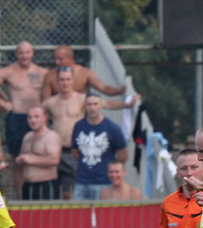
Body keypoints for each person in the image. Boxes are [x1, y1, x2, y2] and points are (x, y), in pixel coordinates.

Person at [43, 67, 138, 199]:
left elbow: (107, 103)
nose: (65, 82)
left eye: (68, 79)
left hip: (84, 158)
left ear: (73, 81)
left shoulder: (83, 99)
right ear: (57, 81)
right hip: (59, 151)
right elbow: (36, 115)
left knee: (71, 194)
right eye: (62, 79)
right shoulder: (50, 102)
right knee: (55, 192)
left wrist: (126, 104)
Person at [0, 41, 47, 159]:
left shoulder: (42, 72)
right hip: (17, 118)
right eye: (21, 53)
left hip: (38, 117)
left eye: (27, 52)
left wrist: (47, 110)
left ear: (32, 54)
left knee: (40, 153)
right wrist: (3, 103)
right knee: (18, 157)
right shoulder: (9, 71)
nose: (24, 56)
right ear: (16, 54)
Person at [70, 95, 128, 201]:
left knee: (102, 215)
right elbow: (75, 152)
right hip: (82, 181)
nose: (92, 108)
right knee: (78, 215)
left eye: (95, 104)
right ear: (84, 106)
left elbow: (123, 155)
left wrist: (111, 170)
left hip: (104, 182)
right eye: (89, 104)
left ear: (101, 105)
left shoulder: (112, 128)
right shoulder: (78, 126)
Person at [40, 45, 126, 100]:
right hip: (60, 118)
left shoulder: (85, 73)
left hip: (81, 117)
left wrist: (118, 91)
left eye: (60, 59)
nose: (57, 62)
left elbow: (103, 88)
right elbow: (45, 102)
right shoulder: (50, 76)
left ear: (70, 58)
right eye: (56, 59)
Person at [16, 106, 60, 200]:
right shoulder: (27, 137)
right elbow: (21, 162)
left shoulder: (51, 137)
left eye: (36, 117)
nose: (33, 120)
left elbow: (54, 159)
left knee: (45, 214)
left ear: (45, 118)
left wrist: (32, 160)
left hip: (44, 185)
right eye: (30, 117)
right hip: (27, 185)